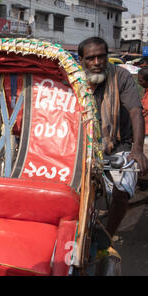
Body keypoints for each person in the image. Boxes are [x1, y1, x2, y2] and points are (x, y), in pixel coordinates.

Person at [78, 37, 148, 250]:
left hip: (119, 144)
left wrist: (137, 149)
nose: (97, 62)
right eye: (91, 58)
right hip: (84, 144)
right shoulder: (74, 80)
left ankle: (107, 235)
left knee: (122, 192)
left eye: (101, 56)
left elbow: (136, 111)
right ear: (81, 60)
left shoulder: (120, 76)